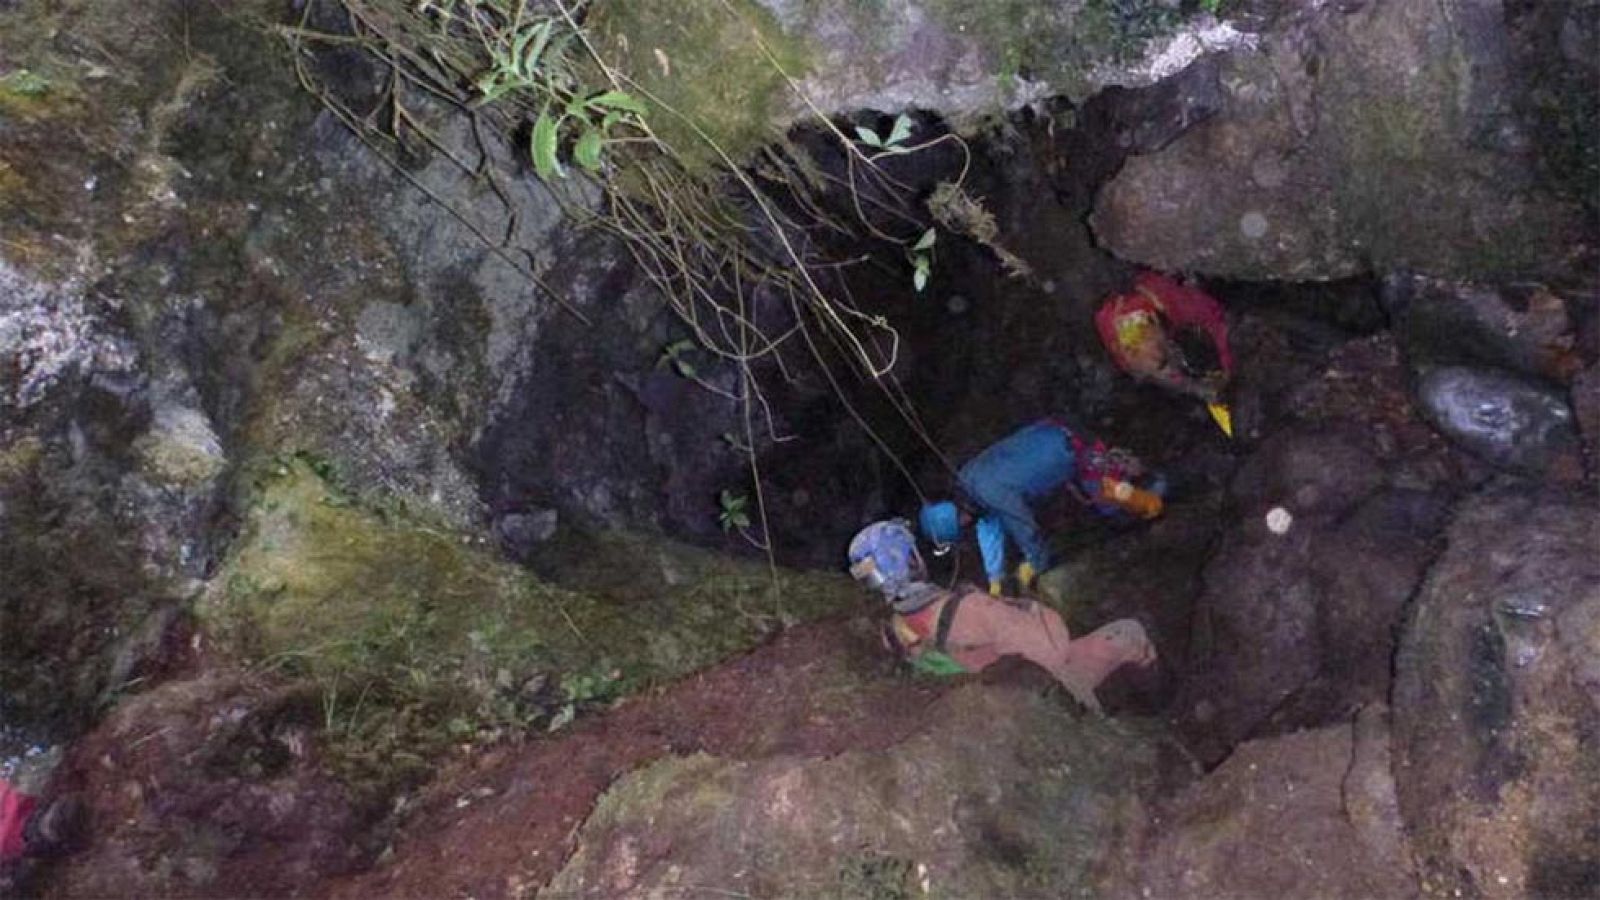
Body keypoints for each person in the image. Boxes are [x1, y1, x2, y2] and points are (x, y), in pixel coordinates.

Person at [847, 520, 1155, 713]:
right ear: (911, 560)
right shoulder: (972, 610)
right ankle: (1146, 705)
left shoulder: (902, 622)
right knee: (1130, 630)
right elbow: (1052, 654)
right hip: (1053, 676)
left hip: (999, 668)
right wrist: (1031, 610)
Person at [919, 418, 1164, 596]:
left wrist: (1036, 564)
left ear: (958, 519)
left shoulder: (989, 493)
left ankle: (1158, 495)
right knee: (1094, 492)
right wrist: (995, 578)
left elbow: (1025, 527)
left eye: (962, 527)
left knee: (1108, 500)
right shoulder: (967, 481)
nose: (966, 528)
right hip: (1052, 432)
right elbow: (989, 525)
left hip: (1072, 448)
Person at [1096, 270, 1235, 435]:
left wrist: (1227, 367)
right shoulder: (1133, 354)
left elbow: (1217, 322)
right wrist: (1199, 388)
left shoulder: (1175, 302)